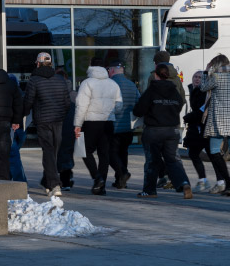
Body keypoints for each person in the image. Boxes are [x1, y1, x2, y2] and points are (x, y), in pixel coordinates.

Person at [133, 64, 193, 199]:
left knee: (152, 161)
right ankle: (184, 183)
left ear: (156, 75)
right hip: (172, 130)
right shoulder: (174, 90)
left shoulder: (151, 90)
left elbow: (138, 110)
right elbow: (179, 104)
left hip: (153, 131)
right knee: (173, 160)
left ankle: (149, 190)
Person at [23, 52, 72, 196]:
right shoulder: (60, 80)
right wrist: (62, 115)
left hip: (43, 120)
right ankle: (48, 181)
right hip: (58, 120)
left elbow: (28, 100)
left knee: (49, 152)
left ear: (38, 64)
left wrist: (23, 115)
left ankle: (54, 184)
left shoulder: (34, 80)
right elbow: (67, 102)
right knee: (53, 152)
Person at [200, 54, 230, 196]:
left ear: (216, 65)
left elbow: (203, 87)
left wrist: (205, 72)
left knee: (214, 151)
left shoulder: (215, 77)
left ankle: (228, 182)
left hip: (218, 119)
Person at [74, 62, 122, 195]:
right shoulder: (113, 84)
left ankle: (97, 177)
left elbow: (81, 106)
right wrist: (109, 112)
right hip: (108, 123)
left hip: (90, 122)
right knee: (104, 154)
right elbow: (119, 106)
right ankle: (101, 187)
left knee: (84, 151)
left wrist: (77, 124)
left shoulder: (87, 83)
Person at [144, 50, 185, 189]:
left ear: (156, 63)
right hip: (172, 121)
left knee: (154, 154)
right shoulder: (177, 78)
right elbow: (182, 99)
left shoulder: (153, 76)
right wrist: (173, 111)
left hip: (156, 123)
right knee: (172, 154)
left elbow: (148, 98)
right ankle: (177, 180)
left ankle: (159, 181)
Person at [108, 61, 140, 189]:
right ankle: (121, 181)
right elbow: (138, 101)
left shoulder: (110, 84)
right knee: (123, 153)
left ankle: (123, 173)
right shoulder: (132, 85)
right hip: (127, 127)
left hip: (114, 126)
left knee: (111, 153)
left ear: (112, 70)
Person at [183, 70, 211, 191]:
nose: (197, 79)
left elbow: (201, 111)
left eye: (199, 77)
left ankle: (214, 180)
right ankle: (203, 180)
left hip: (202, 126)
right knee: (194, 153)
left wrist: (188, 117)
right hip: (196, 126)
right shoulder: (193, 89)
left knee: (211, 155)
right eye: (195, 76)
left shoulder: (203, 92)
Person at [54, 66, 78, 190]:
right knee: (67, 152)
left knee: (57, 153)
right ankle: (67, 178)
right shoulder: (74, 94)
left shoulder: (55, 93)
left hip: (58, 126)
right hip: (72, 127)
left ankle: (64, 180)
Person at [7, 72, 27, 183]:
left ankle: (20, 181)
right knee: (13, 154)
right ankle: (9, 178)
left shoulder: (9, 95)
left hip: (12, 127)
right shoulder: (22, 94)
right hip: (21, 127)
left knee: (13, 156)